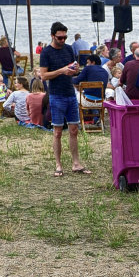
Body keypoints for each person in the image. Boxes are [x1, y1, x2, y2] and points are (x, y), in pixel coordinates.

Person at [37, 21, 88, 177]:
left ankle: (76, 163)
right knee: (57, 131)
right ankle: (58, 164)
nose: (63, 40)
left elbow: (74, 68)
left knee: (74, 130)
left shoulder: (68, 49)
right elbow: (44, 75)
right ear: (53, 36)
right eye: (60, 38)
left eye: (65, 37)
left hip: (70, 93)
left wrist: (74, 70)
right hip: (56, 94)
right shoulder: (46, 52)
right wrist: (61, 71)